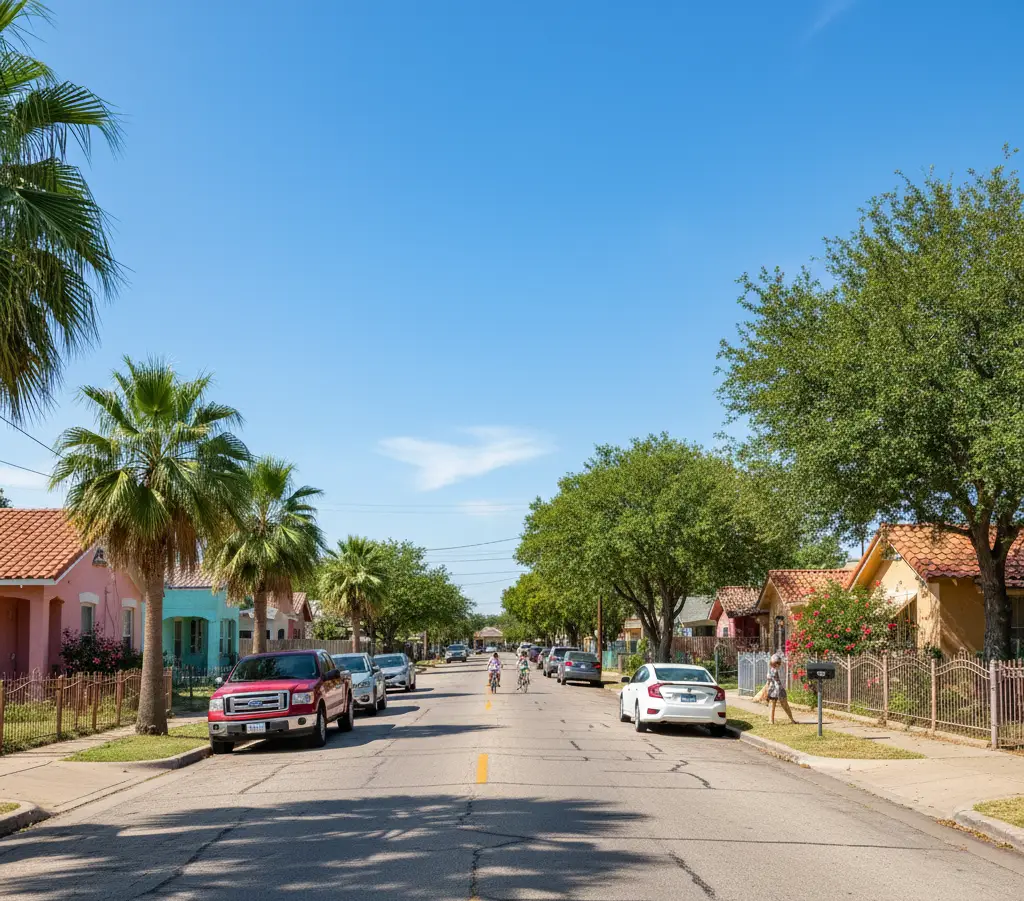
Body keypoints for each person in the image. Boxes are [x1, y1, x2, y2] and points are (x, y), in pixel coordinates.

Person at [766, 654, 797, 725]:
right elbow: (770, 681)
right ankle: (791, 720)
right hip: (776, 689)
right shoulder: (774, 670)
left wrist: (767, 689)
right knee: (782, 705)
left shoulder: (772, 670)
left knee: (776, 705)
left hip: (775, 689)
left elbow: (769, 681)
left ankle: (771, 721)